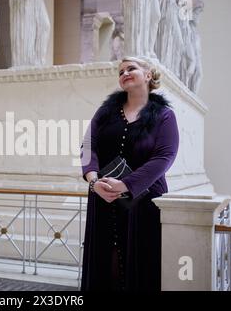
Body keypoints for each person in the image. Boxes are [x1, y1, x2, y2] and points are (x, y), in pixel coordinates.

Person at [80, 56, 179, 291]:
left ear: (148, 75)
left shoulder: (164, 115)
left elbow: (164, 157)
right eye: (121, 71)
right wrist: (94, 182)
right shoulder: (105, 112)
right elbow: (87, 146)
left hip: (144, 202)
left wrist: (125, 184)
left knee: (142, 263)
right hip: (103, 197)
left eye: (131, 68)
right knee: (105, 263)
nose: (124, 73)